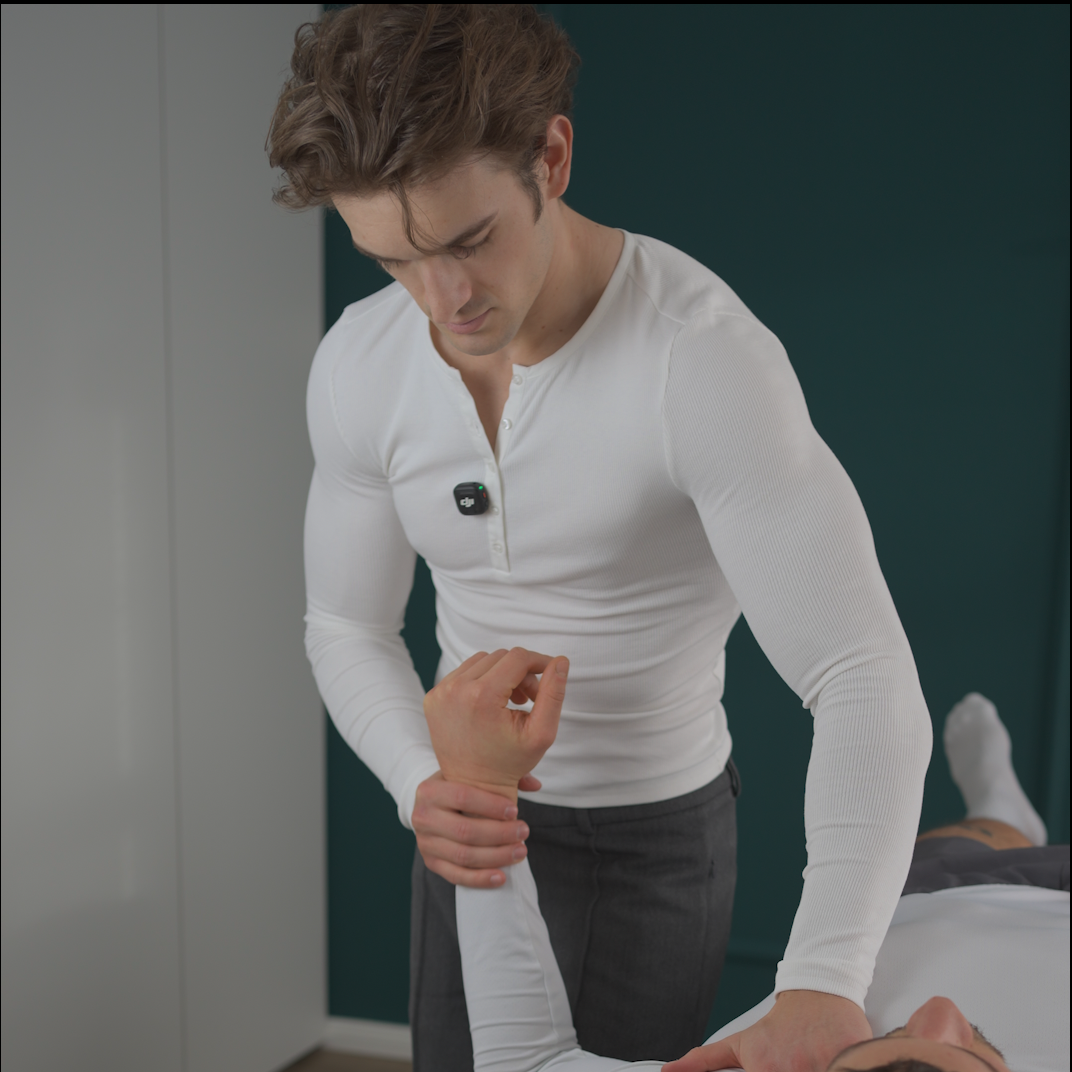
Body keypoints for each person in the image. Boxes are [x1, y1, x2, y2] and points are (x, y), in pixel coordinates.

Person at [267, 6, 932, 1068]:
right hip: (470, 813)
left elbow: (861, 675)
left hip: (656, 836)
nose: (443, 299)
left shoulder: (700, 360)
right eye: (392, 259)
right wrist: (422, 785)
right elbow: (344, 625)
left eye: (469, 241)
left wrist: (824, 976)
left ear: (552, 156)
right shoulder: (359, 362)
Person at [426, 664, 1069, 1072]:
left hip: (921, 902)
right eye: (975, 1058)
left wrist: (481, 787)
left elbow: (526, 1064)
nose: (940, 1008)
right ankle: (1003, 812)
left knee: (973, 839)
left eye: (874, 1049)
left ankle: (998, 809)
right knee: (1000, 842)